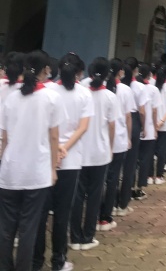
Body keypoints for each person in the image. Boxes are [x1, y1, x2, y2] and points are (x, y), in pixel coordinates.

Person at [0, 50, 62, 271]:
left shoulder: (12, 97)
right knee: (29, 227)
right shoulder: (51, 98)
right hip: (36, 172)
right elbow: (54, 137)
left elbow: (5, 138)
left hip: (10, 171)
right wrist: (53, 168)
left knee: (6, 227)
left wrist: (3, 163)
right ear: (46, 70)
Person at [33, 52, 92, 271]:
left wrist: (55, 149)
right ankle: (58, 261)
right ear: (79, 72)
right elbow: (83, 127)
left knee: (40, 213)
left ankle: (36, 260)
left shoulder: (47, 91)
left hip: (46, 160)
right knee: (62, 214)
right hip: (71, 161)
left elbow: (43, 126)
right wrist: (65, 148)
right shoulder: (84, 94)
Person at [69, 57, 117, 250]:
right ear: (107, 75)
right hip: (100, 152)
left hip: (79, 152)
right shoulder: (110, 97)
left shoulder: (80, 91)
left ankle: (75, 237)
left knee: (77, 196)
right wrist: (111, 148)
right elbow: (112, 127)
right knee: (95, 196)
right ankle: (88, 237)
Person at [98, 59, 133, 230]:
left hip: (101, 140)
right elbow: (128, 117)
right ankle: (107, 214)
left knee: (100, 180)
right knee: (113, 179)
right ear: (120, 72)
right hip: (118, 140)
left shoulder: (99, 88)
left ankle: (97, 214)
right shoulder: (125, 90)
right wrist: (129, 137)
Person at [116, 58, 146, 213]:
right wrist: (144, 126)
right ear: (135, 70)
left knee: (114, 168)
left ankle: (112, 203)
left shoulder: (112, 86)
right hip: (131, 122)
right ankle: (123, 202)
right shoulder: (138, 87)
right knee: (129, 166)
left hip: (115, 122)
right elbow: (142, 111)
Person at [134, 63, 160, 197]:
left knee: (133, 160)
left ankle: (131, 186)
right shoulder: (153, 90)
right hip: (147, 128)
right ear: (149, 75)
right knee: (145, 159)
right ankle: (139, 187)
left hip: (133, 129)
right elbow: (154, 111)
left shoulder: (132, 86)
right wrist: (154, 128)